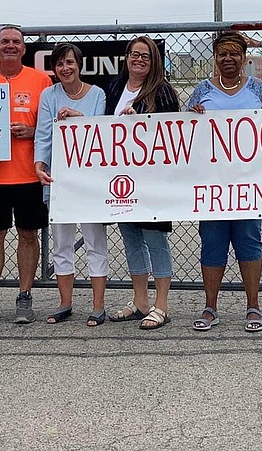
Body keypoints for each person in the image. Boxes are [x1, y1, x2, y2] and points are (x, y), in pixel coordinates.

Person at [187, 30, 262, 333]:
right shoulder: (201, 91)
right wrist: (193, 115)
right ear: (215, 57)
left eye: (234, 53)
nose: (228, 59)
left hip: (247, 184)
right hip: (211, 185)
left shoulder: (257, 88)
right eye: (222, 53)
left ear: (243, 58)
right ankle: (211, 307)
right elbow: (183, 134)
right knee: (212, 245)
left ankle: (253, 306)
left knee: (249, 243)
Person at [0, 25, 52, 326]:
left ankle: (25, 296)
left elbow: (50, 127)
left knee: (28, 235)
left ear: (23, 48)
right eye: (4, 41)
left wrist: (32, 131)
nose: (9, 46)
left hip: (30, 173)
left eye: (15, 42)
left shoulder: (41, 80)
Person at [103, 36, 180, 330]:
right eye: (134, 55)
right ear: (126, 57)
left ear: (154, 61)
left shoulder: (162, 92)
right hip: (120, 177)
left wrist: (142, 120)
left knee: (155, 240)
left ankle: (161, 305)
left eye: (145, 57)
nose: (139, 60)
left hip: (152, 180)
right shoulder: (113, 87)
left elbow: (172, 133)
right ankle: (140, 301)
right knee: (131, 239)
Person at [34, 43, 109, 327]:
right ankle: (65, 303)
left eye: (70, 62)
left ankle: (98, 305)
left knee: (94, 242)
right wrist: (39, 164)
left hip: (89, 182)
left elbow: (102, 130)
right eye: (59, 64)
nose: (65, 68)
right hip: (59, 180)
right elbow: (43, 133)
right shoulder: (48, 95)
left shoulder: (97, 94)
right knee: (61, 243)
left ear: (79, 64)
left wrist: (80, 119)